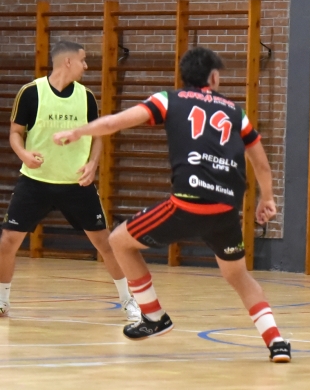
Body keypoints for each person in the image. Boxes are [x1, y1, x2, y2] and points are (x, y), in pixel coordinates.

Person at [52, 47, 290, 363]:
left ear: (184, 76)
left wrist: (77, 131)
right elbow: (261, 164)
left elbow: (116, 122)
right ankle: (277, 342)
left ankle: (154, 317)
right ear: (214, 77)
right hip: (225, 210)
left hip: (188, 203)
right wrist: (267, 198)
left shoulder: (169, 99)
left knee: (118, 241)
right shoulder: (236, 112)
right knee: (239, 276)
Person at [0, 40, 138, 321]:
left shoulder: (86, 97)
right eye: (83, 60)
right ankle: (2, 301)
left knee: (106, 244)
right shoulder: (30, 92)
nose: (86, 66)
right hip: (35, 182)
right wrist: (24, 154)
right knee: (7, 242)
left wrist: (93, 164)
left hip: (77, 185)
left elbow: (97, 135)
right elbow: (15, 132)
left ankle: (129, 301)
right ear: (67, 62)